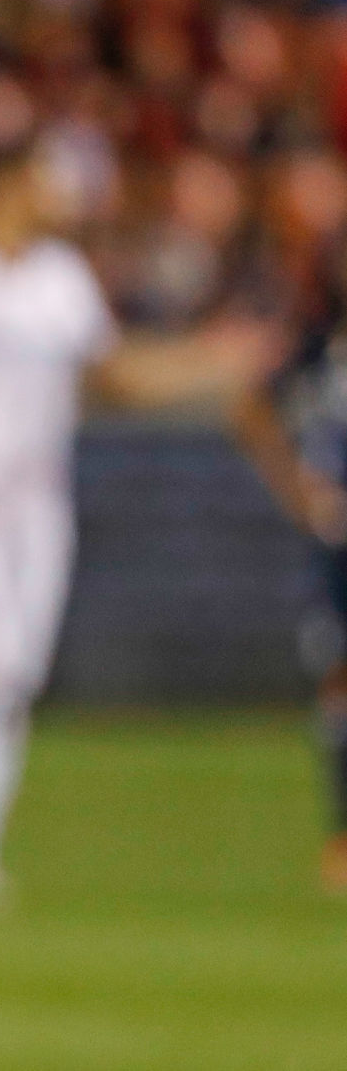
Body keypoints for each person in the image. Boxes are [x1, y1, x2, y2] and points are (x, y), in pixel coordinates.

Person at [0, 150, 256, 914]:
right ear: (0, 187)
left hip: (34, 504)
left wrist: (206, 364)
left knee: (11, 670)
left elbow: (109, 376)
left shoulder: (61, 279)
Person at [231, 256, 347, 894]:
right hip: (337, 547)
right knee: (338, 685)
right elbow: (248, 406)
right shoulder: (317, 350)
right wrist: (298, 492)